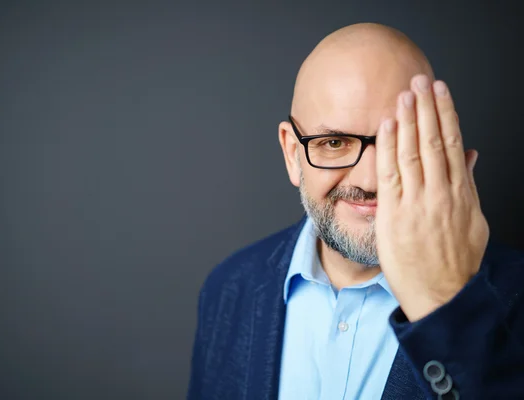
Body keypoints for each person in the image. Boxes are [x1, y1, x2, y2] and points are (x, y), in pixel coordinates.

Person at [186, 22, 524, 400]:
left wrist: (445, 307)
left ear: (442, 140)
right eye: (334, 142)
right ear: (291, 154)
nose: (369, 179)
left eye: (398, 140)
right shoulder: (228, 291)